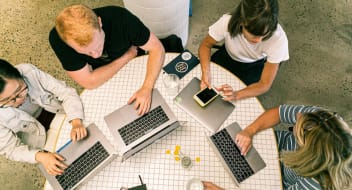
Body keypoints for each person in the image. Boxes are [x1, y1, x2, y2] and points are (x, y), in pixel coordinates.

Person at [49, 4, 165, 115]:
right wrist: (126, 57)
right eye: (87, 52)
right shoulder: (58, 40)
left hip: (138, 63)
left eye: (98, 46)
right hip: (115, 67)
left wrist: (147, 88)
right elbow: (89, 82)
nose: (95, 56)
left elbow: (156, 48)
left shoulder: (121, 18)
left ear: (99, 22)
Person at [0, 59, 87, 176]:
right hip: (39, 142)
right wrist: (40, 156)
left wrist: (76, 121)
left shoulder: (28, 72)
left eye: (19, 91)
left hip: (62, 114)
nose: (18, 101)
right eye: (7, 100)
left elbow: (66, 93)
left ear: (19, 75)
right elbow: (10, 149)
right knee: (72, 170)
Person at [234, 104, 352, 189]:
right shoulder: (324, 120)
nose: (298, 115)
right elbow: (279, 112)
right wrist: (249, 131)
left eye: (299, 127)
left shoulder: (317, 185)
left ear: (305, 150)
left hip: (276, 182)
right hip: (274, 145)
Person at [199, 0, 289, 101]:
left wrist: (236, 95)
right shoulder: (227, 21)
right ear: (241, 21)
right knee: (206, 86)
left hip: (252, 67)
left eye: (264, 34)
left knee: (236, 102)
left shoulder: (278, 39)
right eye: (254, 34)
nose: (259, 40)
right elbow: (205, 45)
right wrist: (205, 72)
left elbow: (265, 84)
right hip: (225, 57)